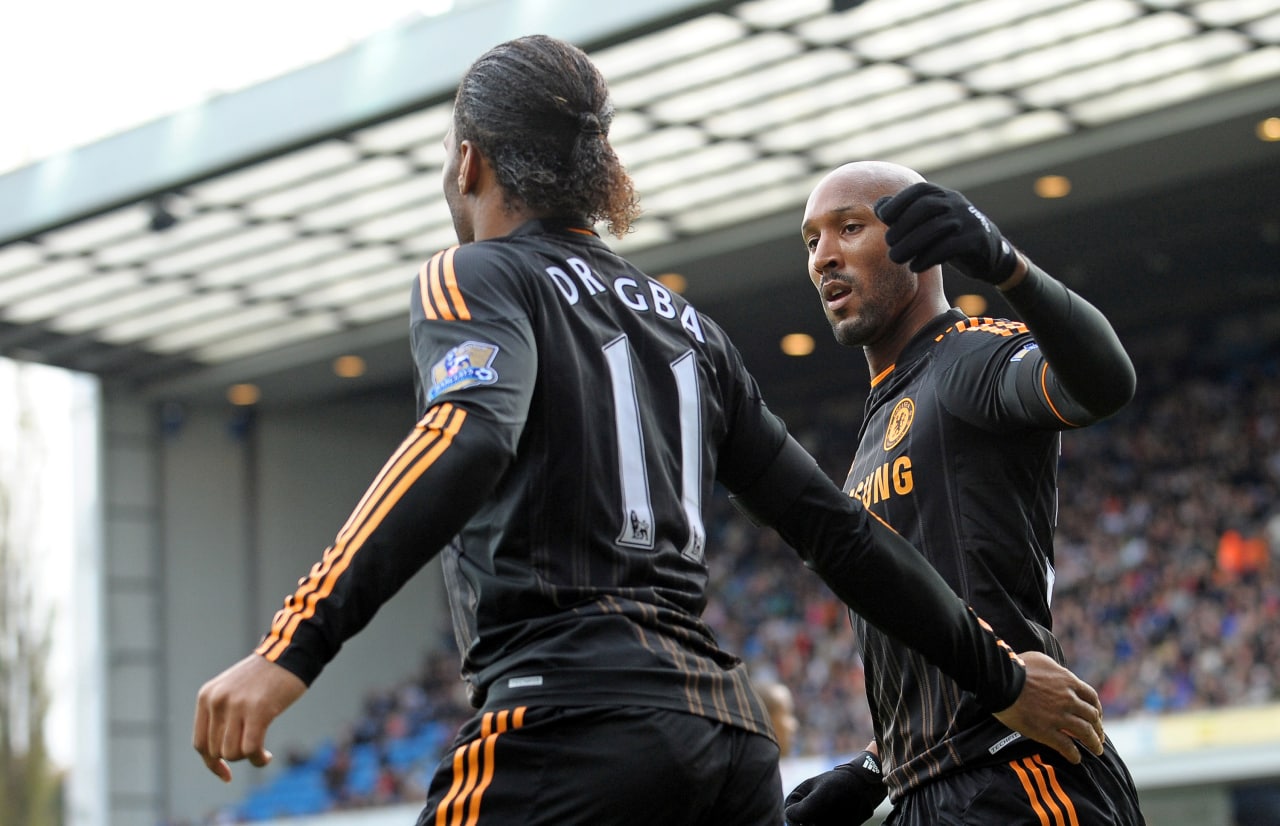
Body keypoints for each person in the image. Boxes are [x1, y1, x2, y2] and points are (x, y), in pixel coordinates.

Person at [191, 39, 1107, 826]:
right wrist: (1000, 676)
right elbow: (839, 535)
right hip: (728, 744)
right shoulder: (689, 328)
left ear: (469, 163)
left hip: (565, 716)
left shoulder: (475, 275)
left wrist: (292, 645)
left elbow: (468, 432)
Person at [785, 161, 1146, 825]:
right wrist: (875, 767)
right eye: (812, 241)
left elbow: (1103, 385)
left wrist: (1006, 265)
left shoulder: (967, 359)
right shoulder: (875, 424)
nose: (825, 256)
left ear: (917, 246)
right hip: (926, 789)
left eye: (850, 227)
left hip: (1018, 772)